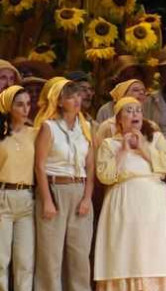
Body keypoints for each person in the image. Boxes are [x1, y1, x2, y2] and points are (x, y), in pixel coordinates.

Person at [94, 97, 166, 291]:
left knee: (153, 255)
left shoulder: (155, 138)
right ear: (119, 119)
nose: (134, 114)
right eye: (129, 111)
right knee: (124, 254)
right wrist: (123, 151)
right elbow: (105, 176)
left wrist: (143, 148)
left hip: (154, 203)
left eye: (138, 110)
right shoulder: (109, 144)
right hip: (123, 203)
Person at [34, 79, 94, 291]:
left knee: (80, 253)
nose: (77, 100)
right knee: (50, 254)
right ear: (59, 102)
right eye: (70, 96)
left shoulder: (86, 127)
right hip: (54, 189)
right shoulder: (49, 127)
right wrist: (47, 200)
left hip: (80, 190)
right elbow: (39, 166)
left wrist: (87, 198)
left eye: (78, 95)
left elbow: (90, 167)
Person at [0, 86, 36, 291]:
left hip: (27, 199)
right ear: (8, 107)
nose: (25, 109)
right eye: (20, 104)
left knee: (25, 260)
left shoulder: (35, 133)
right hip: (3, 196)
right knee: (1, 259)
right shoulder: (1, 134)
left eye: (28, 104)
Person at [94, 79, 150, 147]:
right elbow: (97, 149)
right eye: (135, 90)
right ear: (123, 95)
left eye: (144, 91)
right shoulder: (107, 126)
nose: (141, 92)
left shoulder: (151, 126)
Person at [96, 55, 149, 123]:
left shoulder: (149, 106)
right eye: (127, 76)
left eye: (135, 75)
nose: (131, 80)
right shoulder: (106, 110)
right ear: (118, 81)